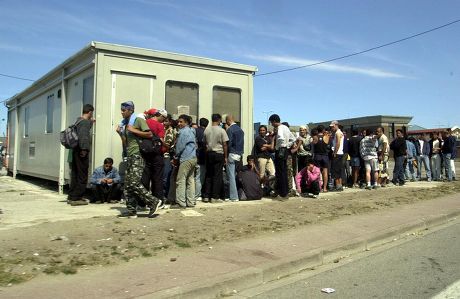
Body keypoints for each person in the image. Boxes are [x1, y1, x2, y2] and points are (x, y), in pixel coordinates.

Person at [116, 101, 161, 218]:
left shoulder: (138, 120)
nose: (121, 112)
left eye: (124, 110)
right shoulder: (126, 124)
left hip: (138, 155)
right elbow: (126, 143)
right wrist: (120, 134)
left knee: (134, 183)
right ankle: (131, 211)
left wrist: (134, 130)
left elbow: (150, 134)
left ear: (130, 110)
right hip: (130, 156)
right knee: (127, 185)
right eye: (121, 110)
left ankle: (153, 201)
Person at [68, 104, 94, 206]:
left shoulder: (78, 121)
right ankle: (77, 197)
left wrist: (91, 123)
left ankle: (72, 195)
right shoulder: (84, 123)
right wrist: (84, 149)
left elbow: (83, 130)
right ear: (90, 112)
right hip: (81, 151)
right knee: (82, 174)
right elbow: (83, 136)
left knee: (75, 173)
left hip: (75, 150)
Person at [171, 114, 197, 208]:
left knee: (180, 180)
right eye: (178, 121)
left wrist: (175, 156)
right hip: (193, 157)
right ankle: (191, 201)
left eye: (181, 121)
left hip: (186, 157)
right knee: (190, 180)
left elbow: (180, 147)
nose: (179, 123)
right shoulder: (192, 131)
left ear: (186, 122)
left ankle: (180, 202)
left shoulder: (183, 132)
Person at [142, 108, 167, 201]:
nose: (163, 121)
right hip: (157, 154)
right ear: (160, 116)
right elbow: (160, 140)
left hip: (145, 153)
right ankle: (157, 200)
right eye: (163, 119)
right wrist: (167, 146)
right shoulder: (159, 126)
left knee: (145, 178)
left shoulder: (145, 122)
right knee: (157, 179)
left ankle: (143, 202)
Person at [204, 114, 229, 202]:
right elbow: (225, 144)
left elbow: (205, 143)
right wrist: (225, 157)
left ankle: (206, 195)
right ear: (219, 120)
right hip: (219, 153)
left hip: (209, 153)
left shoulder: (207, 130)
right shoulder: (222, 130)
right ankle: (215, 196)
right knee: (217, 175)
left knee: (208, 174)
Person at [269, 114, 293, 199]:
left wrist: (280, 146)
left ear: (274, 121)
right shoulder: (286, 127)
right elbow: (292, 139)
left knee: (280, 172)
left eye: (272, 122)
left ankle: (282, 193)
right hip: (285, 150)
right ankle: (285, 192)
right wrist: (287, 145)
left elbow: (280, 138)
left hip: (280, 150)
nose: (272, 124)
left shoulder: (279, 128)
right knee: (284, 171)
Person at [225, 114, 244, 202]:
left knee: (231, 176)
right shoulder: (240, 130)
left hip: (232, 153)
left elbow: (229, 143)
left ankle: (233, 196)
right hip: (239, 154)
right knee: (235, 175)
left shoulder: (230, 129)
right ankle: (237, 195)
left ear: (228, 120)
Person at [312, 125, 330, 192]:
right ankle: (324, 188)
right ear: (323, 130)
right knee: (325, 172)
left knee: (317, 172)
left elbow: (313, 145)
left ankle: (319, 187)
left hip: (317, 156)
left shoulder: (315, 137)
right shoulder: (326, 137)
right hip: (325, 156)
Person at [194, 117, 208, 201]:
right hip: (202, 157)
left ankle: (193, 194)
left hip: (194, 155)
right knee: (200, 177)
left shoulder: (195, 131)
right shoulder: (206, 132)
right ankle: (198, 194)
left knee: (193, 177)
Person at [329, 120, 344, 191]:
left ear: (336, 125)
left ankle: (338, 185)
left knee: (336, 170)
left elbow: (338, 143)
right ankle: (339, 185)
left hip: (337, 153)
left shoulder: (338, 133)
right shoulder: (339, 132)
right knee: (338, 170)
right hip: (340, 153)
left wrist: (334, 152)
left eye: (333, 126)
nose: (332, 128)